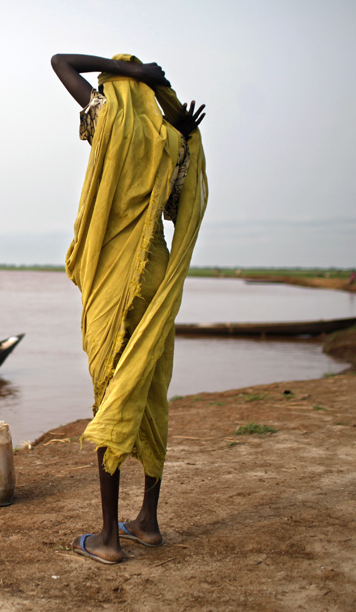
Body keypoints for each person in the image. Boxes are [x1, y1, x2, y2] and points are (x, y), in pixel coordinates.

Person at [51, 53, 207, 565]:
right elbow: (176, 206)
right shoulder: (171, 140)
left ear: (116, 86)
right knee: (150, 388)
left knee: (111, 394)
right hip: (156, 271)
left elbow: (59, 60)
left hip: (117, 276)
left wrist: (133, 73)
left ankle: (108, 539)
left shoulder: (108, 118)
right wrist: (179, 127)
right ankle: (149, 522)